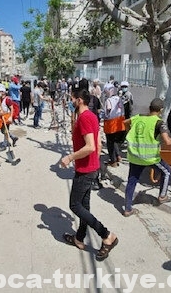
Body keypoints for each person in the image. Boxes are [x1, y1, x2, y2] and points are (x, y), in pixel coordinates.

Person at [59, 88, 118, 262]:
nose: (71, 101)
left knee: (75, 206)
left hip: (85, 170)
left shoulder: (85, 118)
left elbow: (91, 146)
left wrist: (69, 157)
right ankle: (79, 238)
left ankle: (107, 235)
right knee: (84, 206)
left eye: (72, 98)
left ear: (79, 100)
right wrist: (95, 164)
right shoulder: (91, 116)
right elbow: (98, 144)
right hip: (90, 168)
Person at [123, 99, 171, 217]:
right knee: (167, 171)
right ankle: (163, 196)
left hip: (135, 156)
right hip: (150, 158)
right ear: (161, 110)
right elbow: (167, 142)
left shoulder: (138, 117)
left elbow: (125, 122)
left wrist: (129, 133)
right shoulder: (159, 123)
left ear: (149, 108)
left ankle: (127, 209)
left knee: (131, 182)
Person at [103, 83, 126, 167]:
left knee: (110, 143)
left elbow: (108, 109)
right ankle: (118, 156)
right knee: (115, 141)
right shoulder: (118, 98)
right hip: (120, 122)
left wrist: (103, 115)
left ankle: (113, 161)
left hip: (111, 124)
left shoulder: (108, 100)